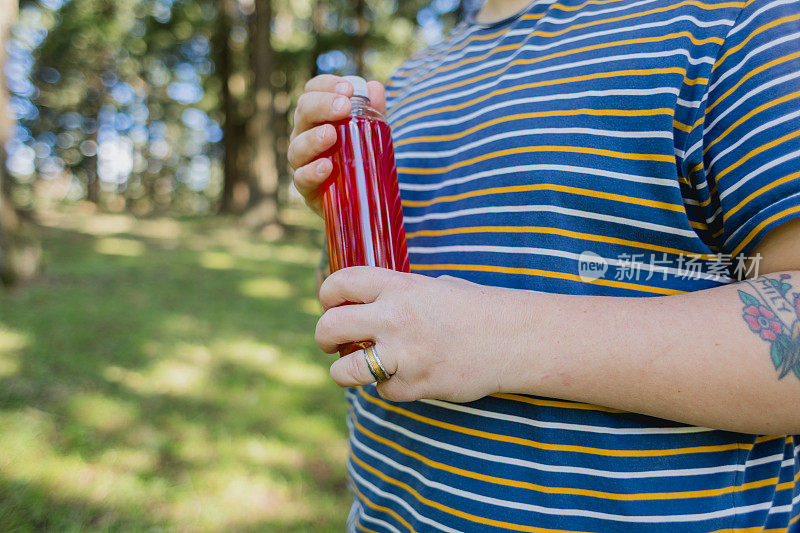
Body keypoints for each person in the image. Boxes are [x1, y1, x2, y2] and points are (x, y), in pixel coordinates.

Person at [288, 0, 800, 530]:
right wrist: (343, 212)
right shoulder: (411, 80)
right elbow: (383, 311)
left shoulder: (738, 25)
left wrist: (504, 335)